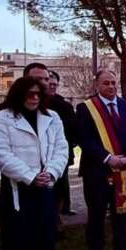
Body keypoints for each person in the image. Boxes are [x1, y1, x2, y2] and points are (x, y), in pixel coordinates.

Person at [0, 77, 69, 250]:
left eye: (38, 94)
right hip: (18, 188)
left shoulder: (52, 117)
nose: (34, 98)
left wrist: (51, 172)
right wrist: (30, 176)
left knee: (44, 234)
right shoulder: (1, 119)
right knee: (17, 238)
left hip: (46, 184)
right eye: (29, 94)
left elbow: (61, 149)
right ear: (18, 95)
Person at [77, 70, 126, 250]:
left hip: (123, 171)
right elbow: (84, 139)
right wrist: (107, 158)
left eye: (114, 82)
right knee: (96, 216)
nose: (111, 86)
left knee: (122, 216)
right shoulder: (86, 108)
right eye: (106, 83)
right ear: (97, 85)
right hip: (97, 172)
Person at [45, 70, 78, 217]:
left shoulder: (63, 105)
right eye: (49, 83)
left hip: (60, 153)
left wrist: (68, 146)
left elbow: (73, 128)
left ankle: (60, 212)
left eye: (54, 85)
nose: (52, 87)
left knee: (60, 183)